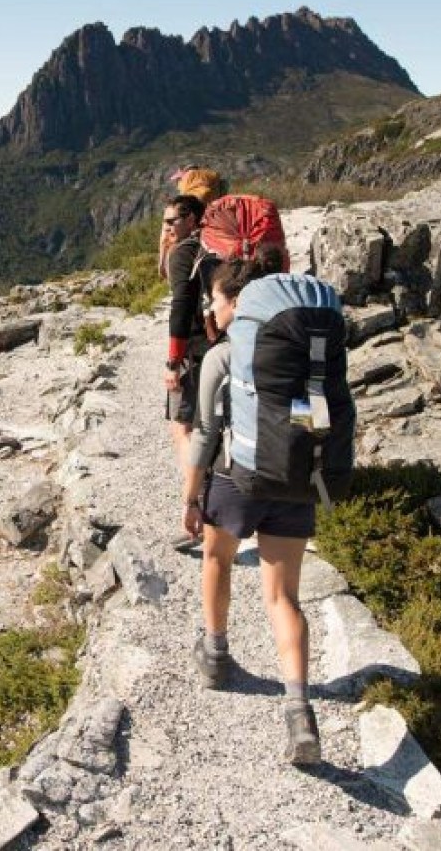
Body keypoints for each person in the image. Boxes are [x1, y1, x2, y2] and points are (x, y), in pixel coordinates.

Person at [180, 258, 321, 766]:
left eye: (215, 298)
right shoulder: (305, 353)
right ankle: (299, 711)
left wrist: (191, 498)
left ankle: (216, 655)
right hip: (294, 478)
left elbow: (204, 433)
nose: (210, 306)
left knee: (216, 561)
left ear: (237, 303)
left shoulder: (223, 356)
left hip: (235, 478)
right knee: (284, 597)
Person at [163, 194, 210, 488]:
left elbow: (181, 305)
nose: (166, 227)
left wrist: (173, 361)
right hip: (225, 342)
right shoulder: (213, 246)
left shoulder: (183, 252)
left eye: (171, 221)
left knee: (183, 425)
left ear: (191, 218)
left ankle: (196, 495)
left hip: (194, 348)